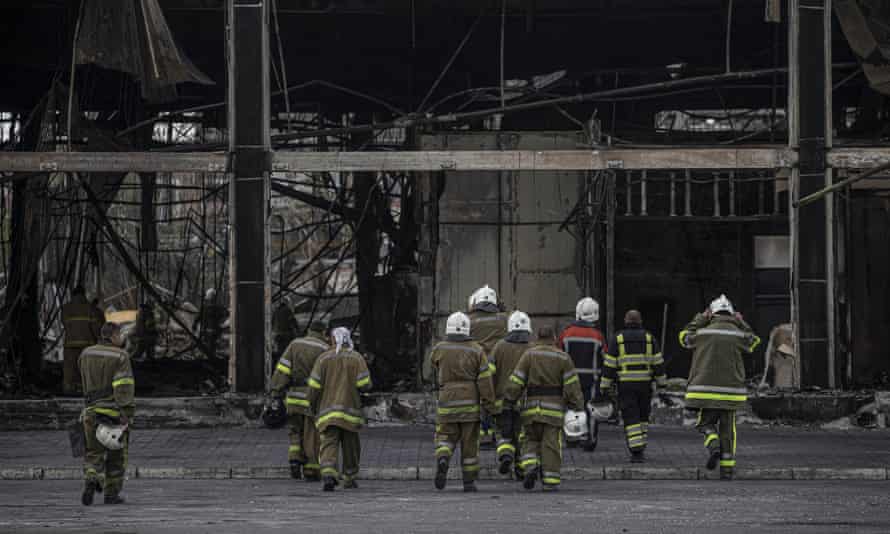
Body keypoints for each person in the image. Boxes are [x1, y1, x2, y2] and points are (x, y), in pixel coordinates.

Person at [679, 294, 760, 481]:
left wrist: (700, 319)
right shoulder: (738, 334)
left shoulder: (702, 333)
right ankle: (727, 470)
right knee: (728, 429)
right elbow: (754, 342)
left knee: (705, 423)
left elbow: (683, 338)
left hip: (704, 390)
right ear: (732, 314)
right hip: (731, 392)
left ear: (712, 314)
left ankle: (713, 444)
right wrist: (741, 323)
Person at [505, 326, 584, 492]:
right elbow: (572, 386)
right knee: (551, 446)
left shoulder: (529, 355)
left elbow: (517, 380)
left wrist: (509, 400)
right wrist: (577, 406)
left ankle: (531, 467)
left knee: (529, 441)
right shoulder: (563, 357)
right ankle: (550, 481)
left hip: (531, 409)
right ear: (554, 338)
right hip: (553, 411)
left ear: (537, 337)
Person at [429, 311, 497, 492]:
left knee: (445, 437)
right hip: (470, 404)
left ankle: (443, 458)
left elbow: (433, 367)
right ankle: (468, 482)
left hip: (446, 401)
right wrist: (489, 404)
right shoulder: (476, 350)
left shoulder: (439, 348)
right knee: (469, 446)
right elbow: (485, 380)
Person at [308, 327, 372, 492]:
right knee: (351, 447)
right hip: (350, 413)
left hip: (327, 412)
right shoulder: (356, 358)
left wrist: (312, 405)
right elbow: (364, 385)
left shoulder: (323, 359)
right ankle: (349, 478)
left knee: (329, 443)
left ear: (332, 339)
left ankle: (329, 474)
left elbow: (314, 386)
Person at [79, 322, 135, 505]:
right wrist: (126, 412)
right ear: (113, 336)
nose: (122, 339)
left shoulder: (86, 354)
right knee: (116, 456)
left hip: (90, 412)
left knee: (93, 453)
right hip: (112, 413)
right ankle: (111, 494)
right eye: (120, 335)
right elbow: (123, 387)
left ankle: (92, 477)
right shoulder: (121, 356)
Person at [600, 309, 666, 463]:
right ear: (640, 321)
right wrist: (662, 386)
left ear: (625, 321)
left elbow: (609, 365)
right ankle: (640, 446)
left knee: (631, 417)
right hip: (645, 386)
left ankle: (636, 451)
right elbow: (658, 364)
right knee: (643, 416)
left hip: (626, 386)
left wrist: (605, 386)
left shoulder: (618, 338)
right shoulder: (650, 339)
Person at [270, 319, 329, 481]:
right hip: (312, 399)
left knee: (295, 431)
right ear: (323, 332)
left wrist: (276, 391)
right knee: (312, 435)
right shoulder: (325, 349)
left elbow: (282, 369)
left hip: (294, 397)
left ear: (310, 330)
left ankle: (294, 460)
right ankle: (311, 470)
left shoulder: (294, 344)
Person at [557, 297, 607, 451]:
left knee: (570, 408)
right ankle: (589, 440)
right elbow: (606, 359)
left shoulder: (566, 334)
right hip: (591, 380)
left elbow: (558, 356)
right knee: (591, 409)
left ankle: (572, 438)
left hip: (569, 379)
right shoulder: (598, 336)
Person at [490, 310, 532, 479]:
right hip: (525, 401)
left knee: (503, 432)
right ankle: (521, 468)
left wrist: (489, 396)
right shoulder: (532, 348)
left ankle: (505, 455)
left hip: (502, 400)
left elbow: (490, 372)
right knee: (522, 434)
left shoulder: (499, 346)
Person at [467, 285, 507, 447]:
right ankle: (498, 432)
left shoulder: (469, 320)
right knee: (496, 398)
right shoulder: (504, 319)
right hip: (497, 366)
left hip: (477, 367)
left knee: (481, 399)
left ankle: (483, 433)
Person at [62, 286, 103, 395]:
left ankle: (69, 388)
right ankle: (86, 389)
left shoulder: (66, 308)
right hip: (87, 344)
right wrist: (99, 340)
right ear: (83, 294)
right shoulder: (90, 308)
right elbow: (96, 328)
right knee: (86, 368)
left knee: (70, 368)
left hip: (70, 344)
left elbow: (65, 325)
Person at [197, 288, 227, 358]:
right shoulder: (217, 308)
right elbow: (199, 317)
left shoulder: (207, 308)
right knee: (210, 347)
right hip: (211, 331)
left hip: (210, 331)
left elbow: (198, 317)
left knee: (209, 348)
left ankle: (210, 357)